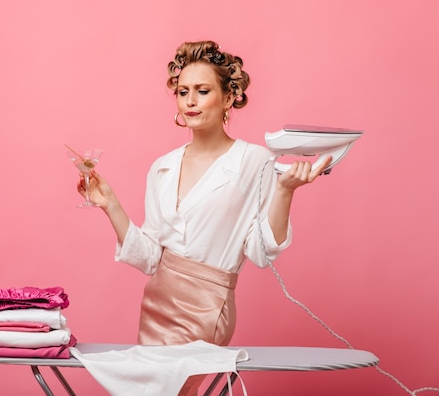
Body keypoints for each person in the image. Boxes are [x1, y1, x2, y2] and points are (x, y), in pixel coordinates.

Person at [75, 40, 332, 395]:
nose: (190, 101)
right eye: (183, 92)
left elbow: (260, 252)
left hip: (207, 307)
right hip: (156, 305)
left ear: (229, 98)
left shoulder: (253, 161)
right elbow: (151, 257)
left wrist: (285, 191)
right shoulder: (162, 167)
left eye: (202, 90)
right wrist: (110, 204)